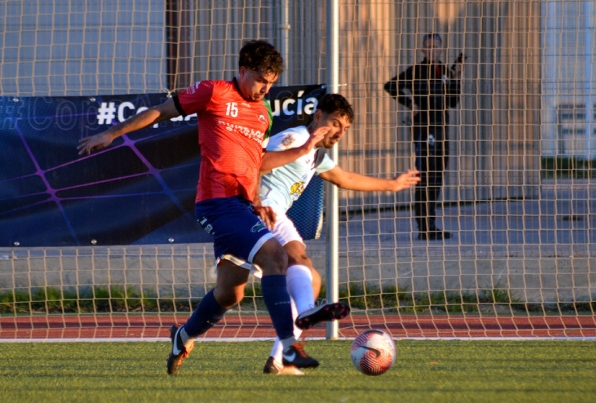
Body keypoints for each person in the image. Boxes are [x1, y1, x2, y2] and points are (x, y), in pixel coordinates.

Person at [77, 40, 321, 375]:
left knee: (228, 294)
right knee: (277, 256)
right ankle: (289, 348)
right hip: (216, 203)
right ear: (243, 69)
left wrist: (259, 200)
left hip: (242, 207)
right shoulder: (213, 92)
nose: (265, 88)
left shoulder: (263, 113)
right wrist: (114, 133)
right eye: (261, 80)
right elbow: (161, 110)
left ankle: (183, 335)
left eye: (271, 83)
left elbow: (255, 162)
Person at [240, 93, 420, 375]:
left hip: (273, 214)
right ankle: (297, 331)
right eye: (335, 123)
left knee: (306, 277)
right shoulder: (295, 138)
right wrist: (257, 203)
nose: (339, 132)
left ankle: (280, 358)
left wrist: (391, 185)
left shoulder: (316, 154)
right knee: (293, 269)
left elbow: (344, 179)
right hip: (258, 211)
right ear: (318, 116)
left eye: (345, 129)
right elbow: (256, 162)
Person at [384, 33, 462, 241]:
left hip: (441, 127)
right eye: (428, 47)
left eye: (436, 47)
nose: (432, 50)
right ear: (422, 50)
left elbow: (453, 101)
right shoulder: (417, 71)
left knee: (437, 176)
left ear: (441, 49)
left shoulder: (444, 71)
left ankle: (431, 224)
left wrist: (456, 78)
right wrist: (412, 104)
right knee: (425, 176)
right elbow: (390, 86)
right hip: (424, 128)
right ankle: (424, 226)